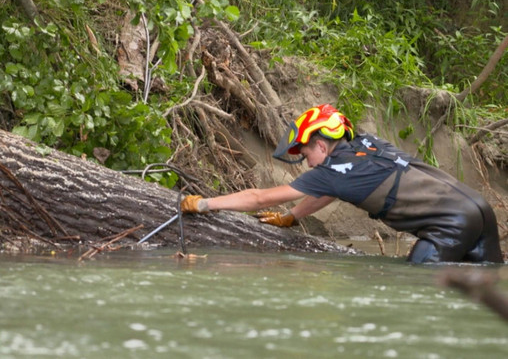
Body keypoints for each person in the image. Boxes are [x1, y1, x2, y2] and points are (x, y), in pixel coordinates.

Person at [181, 104, 504, 264]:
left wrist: (206, 204)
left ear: (321, 145)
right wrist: (294, 216)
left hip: (449, 225)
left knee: (418, 284)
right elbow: (332, 190)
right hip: (478, 210)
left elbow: (259, 198)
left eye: (306, 151)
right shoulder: (368, 143)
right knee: (485, 283)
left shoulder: (331, 171)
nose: (306, 159)